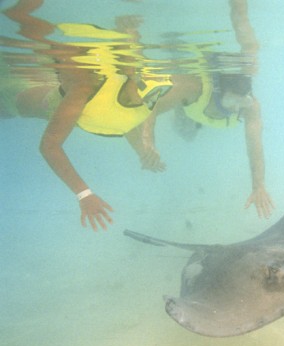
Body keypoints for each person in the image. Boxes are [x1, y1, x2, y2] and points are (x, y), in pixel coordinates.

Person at [2, 0, 171, 231]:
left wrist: (142, 151)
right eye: (142, 83)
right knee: (10, 101)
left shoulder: (143, 100)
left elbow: (126, 122)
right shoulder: (86, 85)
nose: (148, 99)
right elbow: (50, 145)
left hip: (50, 100)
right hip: (33, 100)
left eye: (153, 94)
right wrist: (84, 193)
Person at [135, 0, 274, 219]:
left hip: (199, 105)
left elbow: (255, 147)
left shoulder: (249, 106)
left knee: (249, 51)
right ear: (220, 91)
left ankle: (239, 6)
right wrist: (147, 142)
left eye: (243, 101)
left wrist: (259, 186)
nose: (237, 109)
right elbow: (150, 109)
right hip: (191, 96)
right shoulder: (193, 87)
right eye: (234, 102)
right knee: (186, 130)